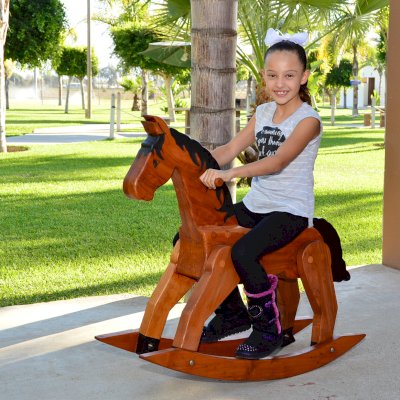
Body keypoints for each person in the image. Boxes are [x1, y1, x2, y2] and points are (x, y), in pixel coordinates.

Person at [199, 28, 322, 360]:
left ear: (303, 77)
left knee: (243, 253)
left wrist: (231, 173)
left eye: (289, 75)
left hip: (289, 211)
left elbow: (277, 162)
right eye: (272, 75)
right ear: (264, 77)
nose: (280, 83)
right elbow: (228, 148)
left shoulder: (308, 121)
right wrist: (193, 163)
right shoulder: (264, 113)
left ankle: (268, 329)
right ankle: (232, 315)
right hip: (257, 205)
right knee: (199, 237)